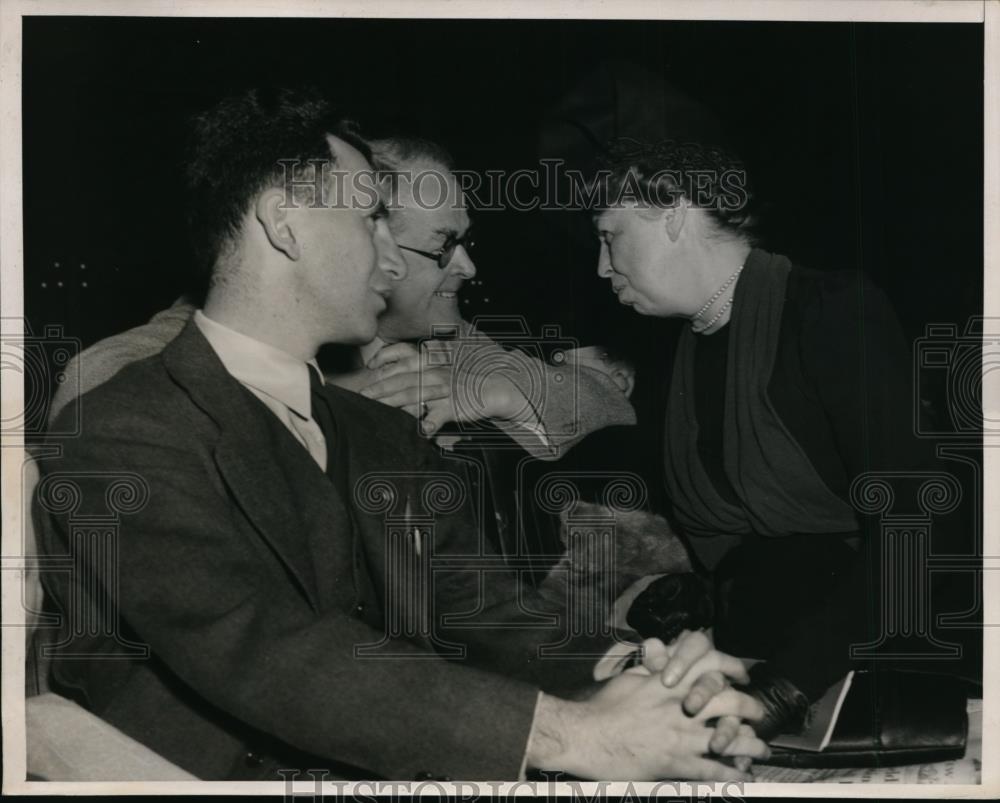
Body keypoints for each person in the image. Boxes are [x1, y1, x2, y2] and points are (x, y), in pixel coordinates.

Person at [33, 87, 768, 781]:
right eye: (372, 218)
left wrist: (647, 680)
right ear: (283, 223)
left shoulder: (381, 432)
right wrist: (574, 733)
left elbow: (491, 612)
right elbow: (265, 649)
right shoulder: (123, 427)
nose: (393, 256)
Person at [589, 135, 981, 738]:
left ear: (671, 211)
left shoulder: (830, 311)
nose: (601, 265)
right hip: (751, 669)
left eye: (609, 234)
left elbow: (920, 524)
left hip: (870, 669)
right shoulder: (679, 354)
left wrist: (786, 688)